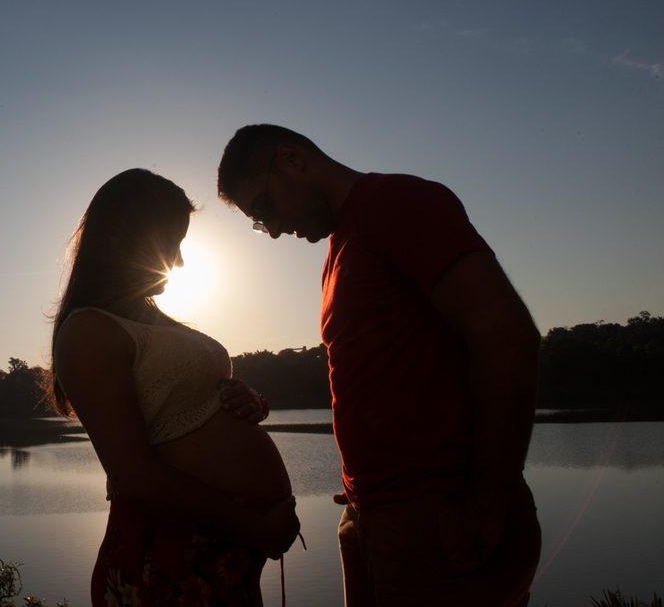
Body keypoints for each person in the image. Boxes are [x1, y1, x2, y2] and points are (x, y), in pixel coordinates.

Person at [216, 124, 542, 607]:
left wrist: (486, 509)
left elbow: (506, 336)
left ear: (292, 159)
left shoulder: (396, 202)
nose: (276, 229)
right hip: (373, 517)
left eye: (264, 207)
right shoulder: (339, 249)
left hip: (438, 521)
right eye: (261, 223)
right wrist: (363, 492)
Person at [47, 168, 301, 607]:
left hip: (224, 551)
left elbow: (187, 399)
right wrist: (259, 530)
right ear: (130, 236)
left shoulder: (150, 319)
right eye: (172, 242)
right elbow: (134, 477)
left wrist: (249, 400)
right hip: (168, 557)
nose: (179, 261)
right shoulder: (89, 330)